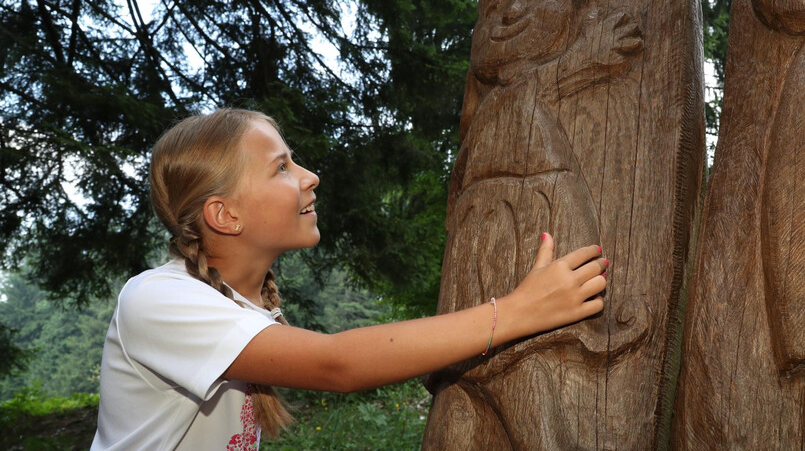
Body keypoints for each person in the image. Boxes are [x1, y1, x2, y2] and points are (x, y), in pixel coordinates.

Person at [91, 108, 609, 450]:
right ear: (224, 216)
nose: (310, 176)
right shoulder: (157, 299)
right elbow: (337, 363)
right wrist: (519, 311)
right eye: (281, 168)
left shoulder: (242, 309)